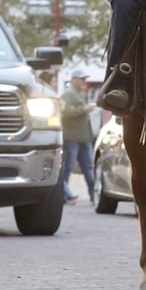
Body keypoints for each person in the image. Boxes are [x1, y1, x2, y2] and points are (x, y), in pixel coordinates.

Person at [60, 69, 96, 204]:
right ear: (74, 79)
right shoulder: (67, 94)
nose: (84, 81)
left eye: (85, 79)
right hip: (72, 138)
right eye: (82, 79)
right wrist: (83, 109)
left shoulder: (82, 93)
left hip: (84, 137)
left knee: (88, 168)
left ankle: (94, 196)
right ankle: (62, 195)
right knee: (67, 168)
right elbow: (65, 112)